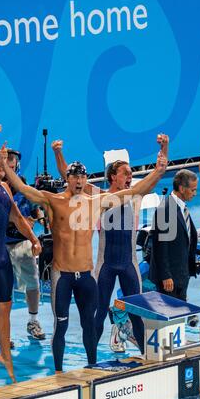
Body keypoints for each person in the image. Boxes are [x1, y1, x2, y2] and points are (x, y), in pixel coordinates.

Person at [1, 137, 168, 372]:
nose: (79, 181)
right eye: (74, 177)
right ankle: (59, 372)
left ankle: (92, 367)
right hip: (63, 275)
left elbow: (136, 190)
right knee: (61, 325)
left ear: (86, 179)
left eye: (82, 177)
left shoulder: (96, 202)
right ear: (67, 179)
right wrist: (6, 166)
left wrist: (159, 171)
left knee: (89, 324)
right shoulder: (54, 201)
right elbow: (23, 188)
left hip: (86, 276)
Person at [52, 137, 169, 355]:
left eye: (131, 173)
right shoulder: (98, 196)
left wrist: (164, 148)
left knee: (137, 312)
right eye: (126, 173)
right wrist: (58, 152)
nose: (130, 176)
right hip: (104, 265)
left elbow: (158, 173)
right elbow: (65, 175)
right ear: (113, 177)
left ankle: (147, 356)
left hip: (128, 265)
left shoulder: (135, 195)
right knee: (97, 314)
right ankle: (92, 361)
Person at [0, 123, 42, 388]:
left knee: (6, 308)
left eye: (4, 164)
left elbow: (17, 216)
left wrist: (34, 239)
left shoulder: (5, 188)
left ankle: (4, 355)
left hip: (3, 258)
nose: (2, 167)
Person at [4, 149, 45, 340]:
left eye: (12, 159)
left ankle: (33, 321)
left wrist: (40, 219)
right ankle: (4, 331)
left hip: (22, 243)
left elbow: (36, 211)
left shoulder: (24, 186)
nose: (9, 162)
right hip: (0, 245)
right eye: (6, 159)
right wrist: (18, 222)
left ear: (17, 164)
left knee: (33, 282)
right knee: (3, 288)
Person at [149, 169, 198, 300]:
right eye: (192, 190)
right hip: (170, 278)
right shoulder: (166, 209)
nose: (195, 193)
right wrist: (166, 275)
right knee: (170, 316)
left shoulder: (181, 208)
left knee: (180, 314)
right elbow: (160, 247)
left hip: (181, 273)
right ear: (182, 188)